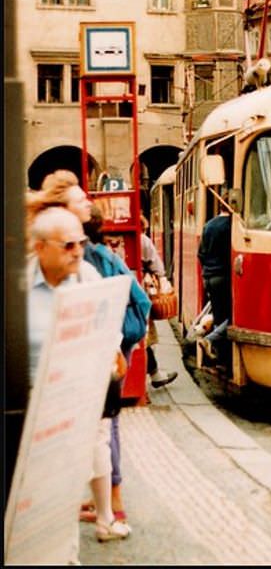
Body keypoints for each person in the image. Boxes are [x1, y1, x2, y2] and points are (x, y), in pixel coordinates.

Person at [27, 207, 131, 550]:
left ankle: (70, 550)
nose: (78, 251)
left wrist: (112, 355)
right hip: (31, 407)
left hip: (77, 401)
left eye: (81, 243)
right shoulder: (18, 286)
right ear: (40, 247)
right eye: (68, 245)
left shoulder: (87, 276)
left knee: (64, 498)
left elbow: (108, 322)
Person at [82, 205, 151, 523]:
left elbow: (141, 298)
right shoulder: (101, 255)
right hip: (113, 346)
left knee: (105, 421)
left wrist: (120, 337)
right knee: (103, 422)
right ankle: (105, 497)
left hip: (110, 348)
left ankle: (113, 498)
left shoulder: (98, 258)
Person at [139, 214, 178, 388]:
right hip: (137, 294)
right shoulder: (143, 240)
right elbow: (158, 267)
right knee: (143, 337)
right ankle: (154, 375)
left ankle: (154, 374)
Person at [197, 199, 232, 361]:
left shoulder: (208, 225)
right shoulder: (230, 227)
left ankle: (218, 355)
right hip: (223, 276)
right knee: (232, 317)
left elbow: (200, 254)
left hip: (208, 276)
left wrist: (207, 270)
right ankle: (210, 340)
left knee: (218, 315)